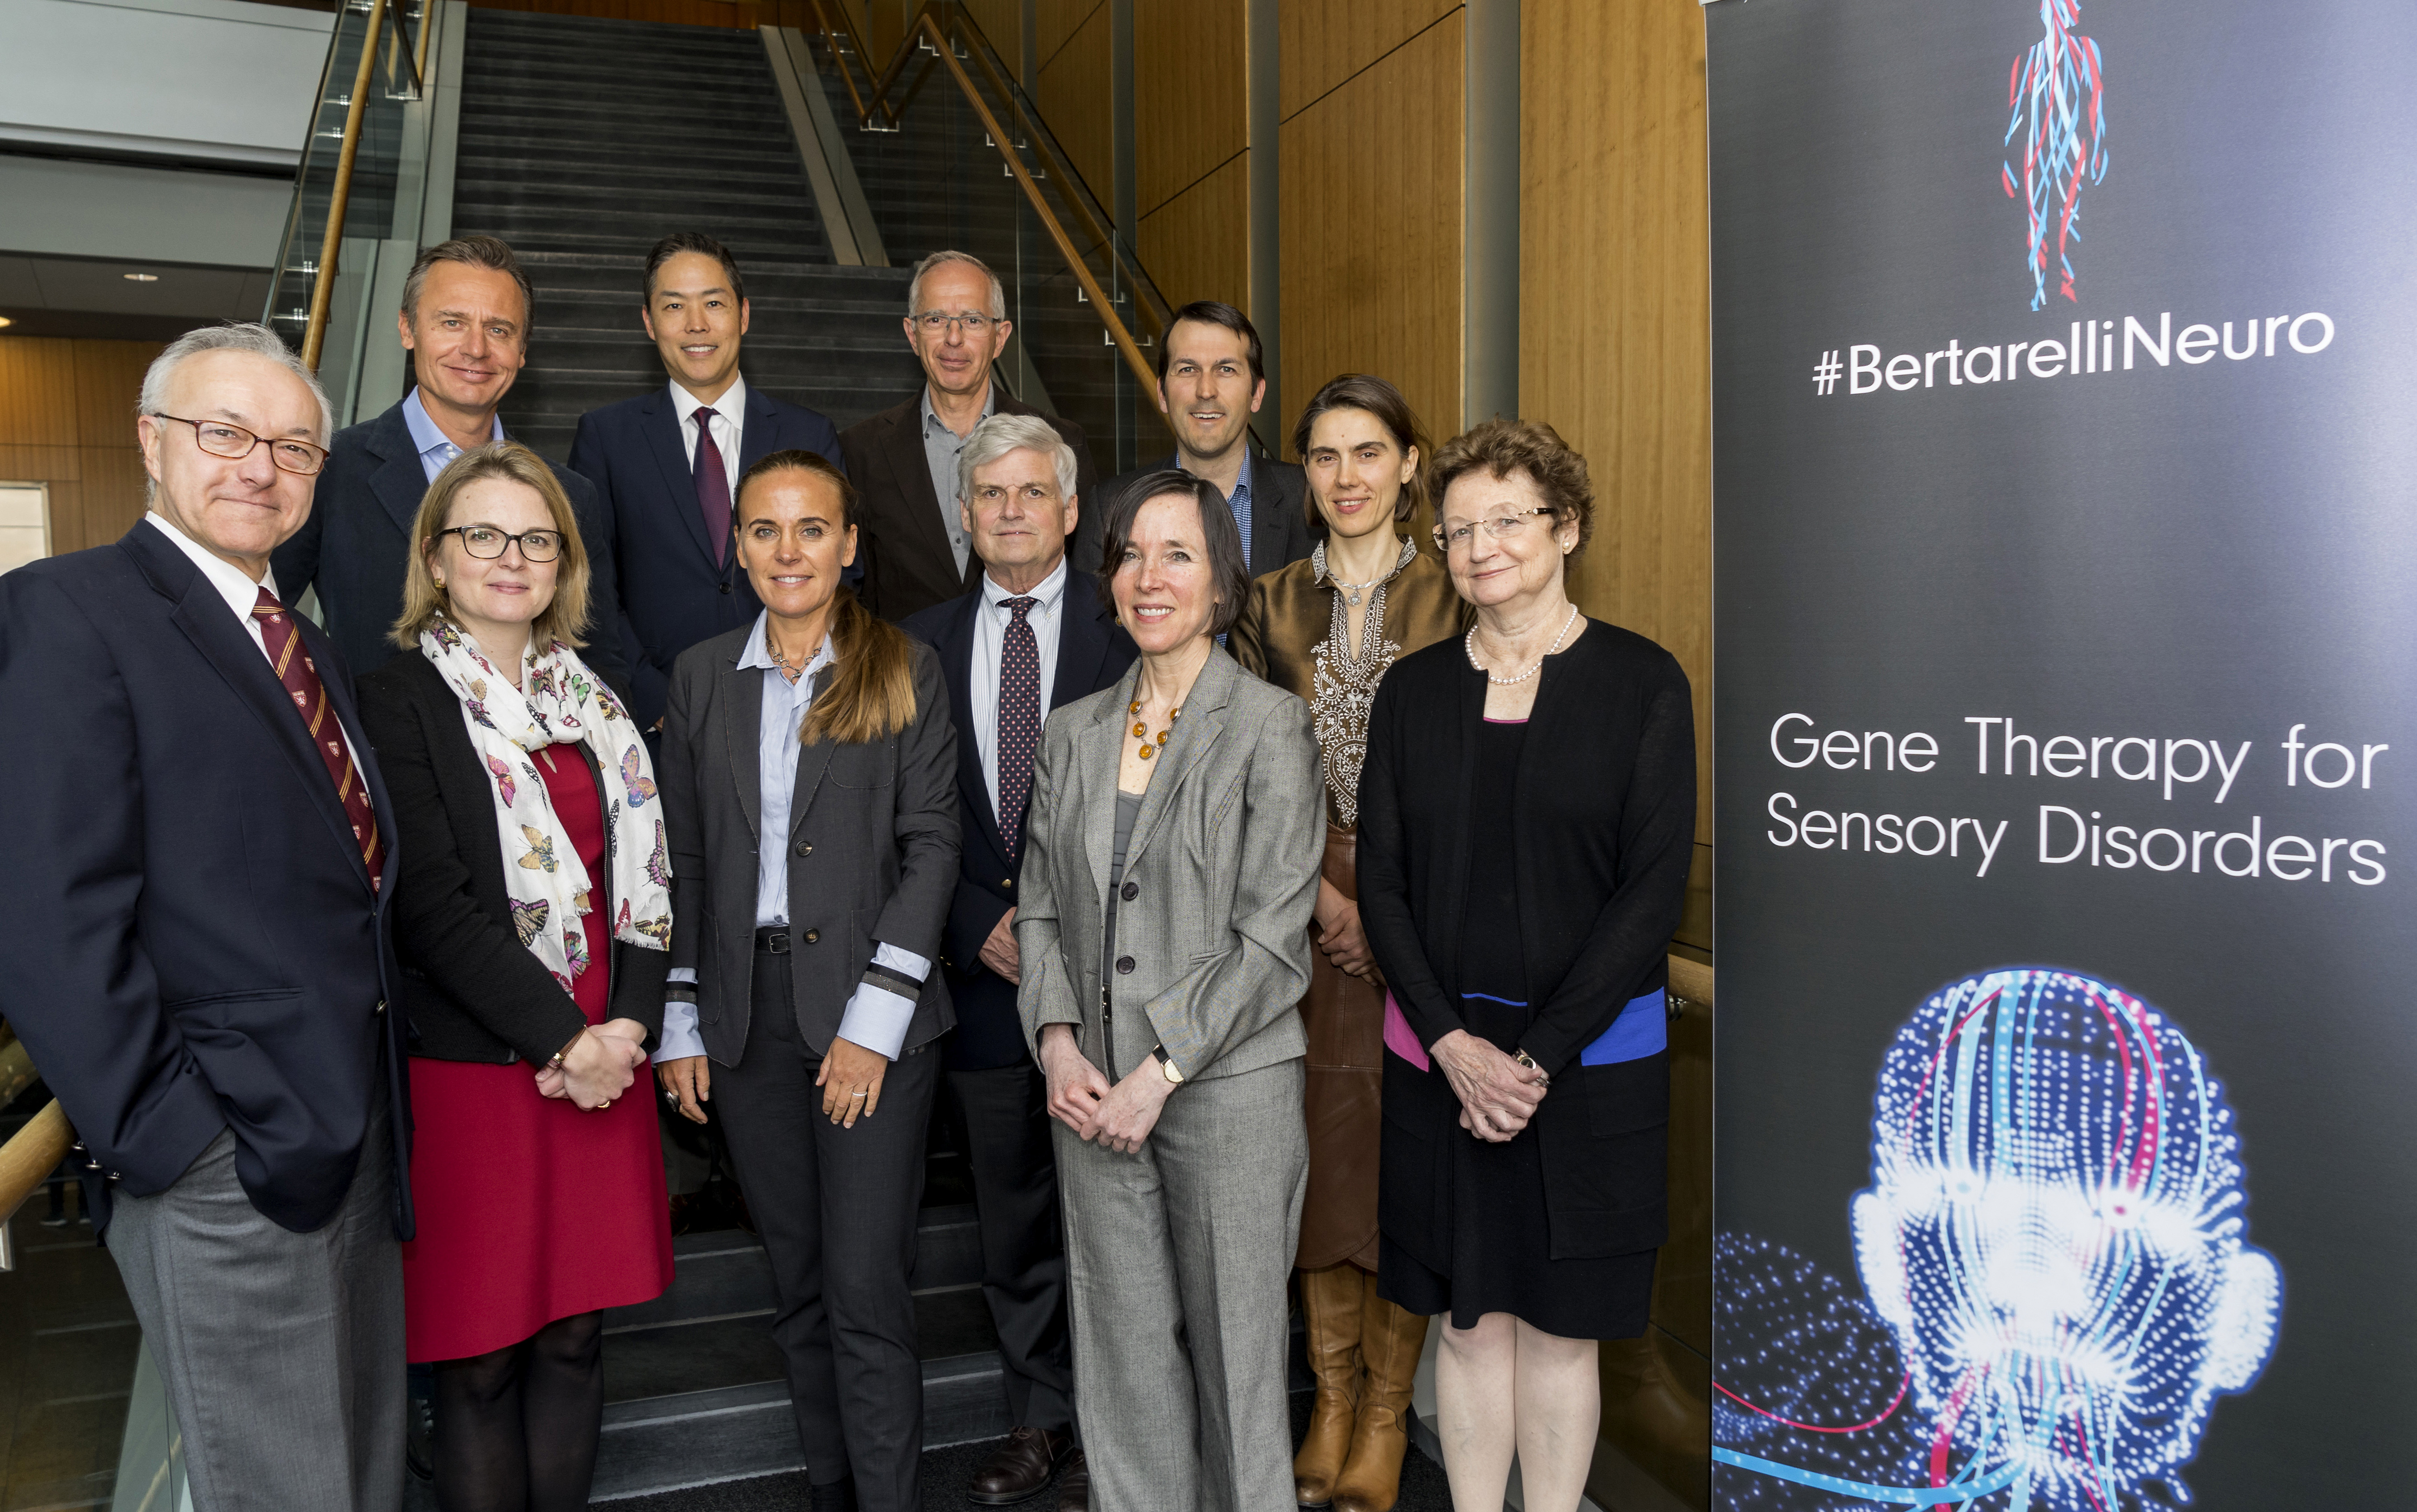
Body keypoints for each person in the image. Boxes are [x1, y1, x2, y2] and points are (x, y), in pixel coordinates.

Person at [0, 323, 409, 1509]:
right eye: (224, 433)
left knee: (360, 1468)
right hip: (227, 1159)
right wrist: (176, 1138)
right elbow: (47, 915)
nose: (259, 468)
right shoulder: (67, 616)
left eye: (292, 446)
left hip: (354, 1135)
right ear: (151, 442)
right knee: (279, 1486)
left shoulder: (307, 647)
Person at [1355, 418, 1695, 1512]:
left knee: (1559, 1335)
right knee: (1465, 1321)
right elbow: (1383, 889)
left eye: (1507, 518)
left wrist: (1533, 1059)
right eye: (1456, 527)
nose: (1479, 544)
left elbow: (1647, 896)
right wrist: (1456, 1049)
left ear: (1568, 527)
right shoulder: (1408, 696)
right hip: (1439, 1067)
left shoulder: (1642, 682)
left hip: (1585, 1073)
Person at [356, 441, 674, 1512]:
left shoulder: (597, 700)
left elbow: (644, 876)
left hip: (603, 1064)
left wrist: (626, 1029)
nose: (511, 557)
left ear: (563, 564)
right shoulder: (393, 700)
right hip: (487, 1066)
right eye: (482, 534)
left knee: (578, 1338)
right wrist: (563, 1041)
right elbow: (429, 903)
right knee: (481, 1358)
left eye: (535, 539)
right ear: (437, 557)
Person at [654, 450, 960, 1512]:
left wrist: (872, 1024)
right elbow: (684, 859)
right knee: (796, 1286)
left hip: (872, 1013)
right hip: (745, 1015)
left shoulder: (903, 665)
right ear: (737, 547)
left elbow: (931, 850)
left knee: (865, 1288)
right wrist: (681, 1017)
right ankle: (832, 1490)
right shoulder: (700, 676)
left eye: (811, 529)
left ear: (849, 544)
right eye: (765, 531)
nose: (789, 551)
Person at [1015, 471, 1324, 1511]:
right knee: (1121, 1357)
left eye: (1177, 554)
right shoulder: (1070, 732)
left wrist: (1158, 1069)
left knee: (1239, 1365)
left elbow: (1274, 939)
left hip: (1224, 1091)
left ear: (1220, 582)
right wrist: (1057, 1043)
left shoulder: (1270, 727)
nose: (1150, 578)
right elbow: (1040, 910)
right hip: (1088, 1090)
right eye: (1131, 555)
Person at [1229, 374, 1468, 1512]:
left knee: (1403, 1165)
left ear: (1410, 464)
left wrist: (1387, 903)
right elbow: (1229, 768)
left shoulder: (1458, 591)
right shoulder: (1264, 600)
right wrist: (1320, 897)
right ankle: (1325, 1400)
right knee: (1314, 1165)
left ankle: (1383, 1414)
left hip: (1426, 911)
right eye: (1322, 456)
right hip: (1298, 913)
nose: (1347, 477)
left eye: (1369, 452)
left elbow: (1480, 771)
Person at [899, 414, 1137, 1507]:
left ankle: (1134, 1422)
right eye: (986, 491)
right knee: (1013, 1219)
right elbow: (902, 819)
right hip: (983, 978)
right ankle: (1039, 1416)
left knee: (1124, 1217)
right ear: (962, 509)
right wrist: (965, 922)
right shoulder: (914, 644)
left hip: (1113, 981)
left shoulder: (1130, 625)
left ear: (1070, 509)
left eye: (1029, 492)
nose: (1007, 509)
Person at [274, 235, 629, 695]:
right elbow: (259, 616)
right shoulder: (329, 469)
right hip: (379, 757)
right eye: (452, 322)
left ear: (522, 350)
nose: (476, 348)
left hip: (529, 759)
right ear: (407, 328)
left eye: (499, 330)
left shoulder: (571, 496)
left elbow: (598, 657)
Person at [569, 232, 849, 735]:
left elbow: (841, 571)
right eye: (674, 306)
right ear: (649, 322)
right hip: (659, 723)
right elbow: (585, 584)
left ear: (743, 314)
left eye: (713, 303)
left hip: (797, 711)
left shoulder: (809, 433)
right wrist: (652, 698)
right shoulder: (606, 438)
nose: (696, 324)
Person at [840, 250, 1100, 623]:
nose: (954, 339)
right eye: (935, 319)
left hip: (1029, 667)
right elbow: (853, 590)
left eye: (973, 321)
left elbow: (1089, 579)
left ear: (1000, 337)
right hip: (904, 672)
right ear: (912, 335)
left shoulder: (1061, 441)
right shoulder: (860, 450)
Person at [1080, 301, 1312, 583]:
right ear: (1163, 393)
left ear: (1256, 394)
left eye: (1226, 369)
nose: (1205, 391)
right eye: (1188, 369)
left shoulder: (1310, 498)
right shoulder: (1109, 508)